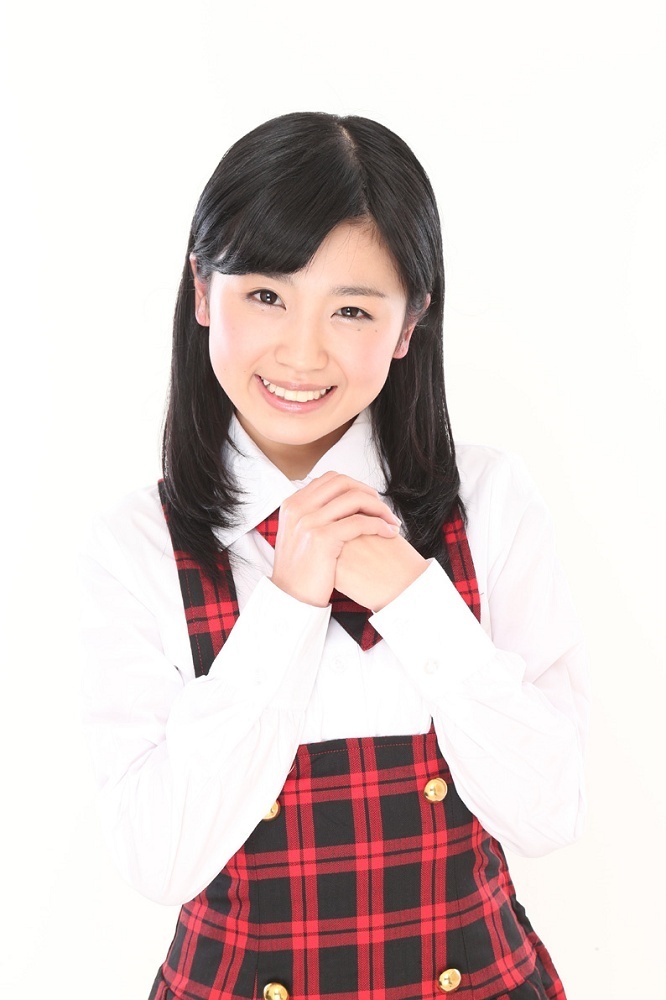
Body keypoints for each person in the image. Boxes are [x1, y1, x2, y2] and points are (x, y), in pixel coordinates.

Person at [80, 112, 588, 1000]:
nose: (302, 352)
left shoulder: (490, 501)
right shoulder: (139, 542)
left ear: (409, 323)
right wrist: (286, 607)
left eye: (351, 309)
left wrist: (417, 602)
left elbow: (551, 813)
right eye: (265, 296)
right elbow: (157, 858)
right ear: (202, 291)